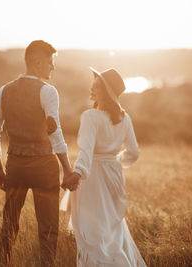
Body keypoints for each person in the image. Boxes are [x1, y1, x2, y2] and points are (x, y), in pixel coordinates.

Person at [0, 40, 78, 266]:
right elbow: (54, 131)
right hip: (43, 168)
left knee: (9, 225)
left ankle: (4, 263)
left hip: (15, 166)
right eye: (49, 63)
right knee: (48, 230)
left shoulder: (4, 91)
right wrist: (67, 170)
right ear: (37, 64)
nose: (52, 68)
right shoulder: (48, 91)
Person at [61, 67, 146, 266]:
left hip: (92, 177)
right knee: (111, 228)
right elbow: (134, 152)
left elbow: (86, 150)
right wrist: (116, 161)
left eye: (97, 86)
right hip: (114, 175)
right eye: (93, 84)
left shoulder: (90, 116)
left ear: (107, 91)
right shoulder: (125, 118)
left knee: (92, 232)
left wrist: (78, 172)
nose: (92, 88)